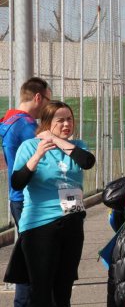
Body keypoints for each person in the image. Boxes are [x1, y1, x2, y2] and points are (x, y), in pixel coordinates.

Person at [9, 101, 95, 307]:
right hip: (40, 225)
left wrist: (56, 139)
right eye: (61, 120)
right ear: (48, 123)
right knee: (41, 290)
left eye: (69, 119)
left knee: (63, 290)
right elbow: (17, 183)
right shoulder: (29, 146)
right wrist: (38, 154)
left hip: (72, 222)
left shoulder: (77, 146)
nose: (67, 124)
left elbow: (87, 161)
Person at [0, 77, 51, 307]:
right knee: (34, 257)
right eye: (48, 100)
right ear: (38, 97)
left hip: (17, 196)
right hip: (28, 199)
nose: (48, 107)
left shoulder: (9, 120)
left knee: (27, 251)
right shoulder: (27, 126)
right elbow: (47, 157)